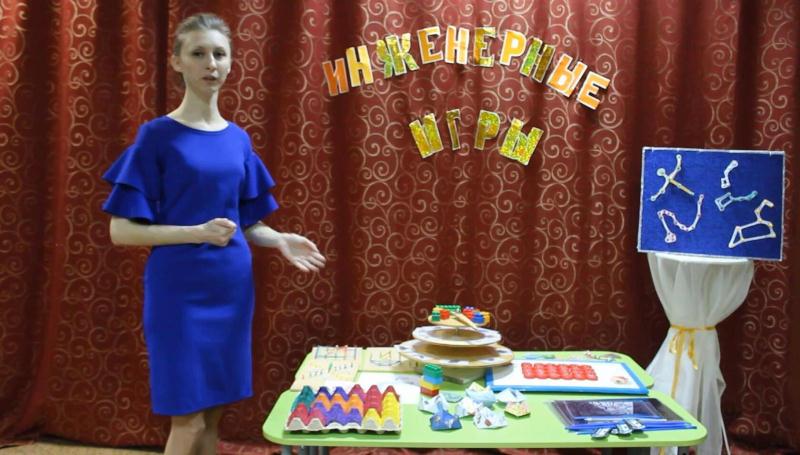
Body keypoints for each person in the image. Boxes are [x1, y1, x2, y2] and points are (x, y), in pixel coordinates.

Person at [101, 13, 326, 455]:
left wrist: (279, 239)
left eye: (220, 54)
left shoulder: (238, 140)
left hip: (231, 288)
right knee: (187, 420)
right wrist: (196, 231)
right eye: (199, 53)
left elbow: (246, 223)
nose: (211, 63)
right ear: (177, 62)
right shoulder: (157, 137)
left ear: (231, 62)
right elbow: (121, 231)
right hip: (179, 292)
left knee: (214, 417)